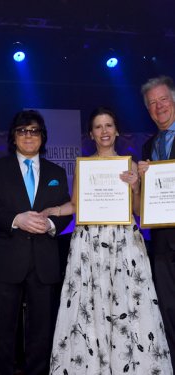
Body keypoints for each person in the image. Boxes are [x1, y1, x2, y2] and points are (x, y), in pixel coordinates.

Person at [42, 106, 172, 374]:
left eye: (109, 125)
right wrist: (53, 211)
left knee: (127, 304)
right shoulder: (84, 166)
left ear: (117, 130)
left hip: (123, 244)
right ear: (91, 133)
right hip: (89, 244)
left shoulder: (131, 165)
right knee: (90, 305)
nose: (104, 131)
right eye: (99, 127)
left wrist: (136, 186)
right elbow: (76, 204)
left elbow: (137, 211)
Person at [0, 109, 72, 375]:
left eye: (34, 131)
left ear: (43, 137)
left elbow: (65, 209)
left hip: (44, 262)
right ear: (13, 136)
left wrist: (52, 224)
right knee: (2, 331)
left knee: (42, 332)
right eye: (22, 131)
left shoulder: (56, 171)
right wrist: (16, 219)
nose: (28, 136)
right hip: (7, 261)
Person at [138, 75, 175, 371]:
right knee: (169, 315)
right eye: (152, 104)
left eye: (163, 99)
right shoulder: (148, 147)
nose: (158, 107)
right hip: (162, 246)